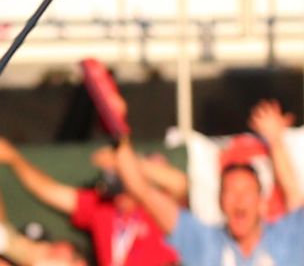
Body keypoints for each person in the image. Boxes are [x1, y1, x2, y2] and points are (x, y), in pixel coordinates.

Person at [116, 105, 304, 266]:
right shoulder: (204, 242)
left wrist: (276, 142)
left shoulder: (286, 237)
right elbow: (142, 190)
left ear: (261, 202)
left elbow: (295, 197)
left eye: (246, 192)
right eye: (230, 192)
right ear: (220, 201)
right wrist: (118, 125)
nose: (238, 199)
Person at [0, 138, 176, 266]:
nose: (117, 188)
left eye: (120, 178)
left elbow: (181, 185)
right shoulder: (102, 207)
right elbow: (48, 191)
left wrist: (127, 162)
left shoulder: (159, 207)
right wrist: (13, 158)